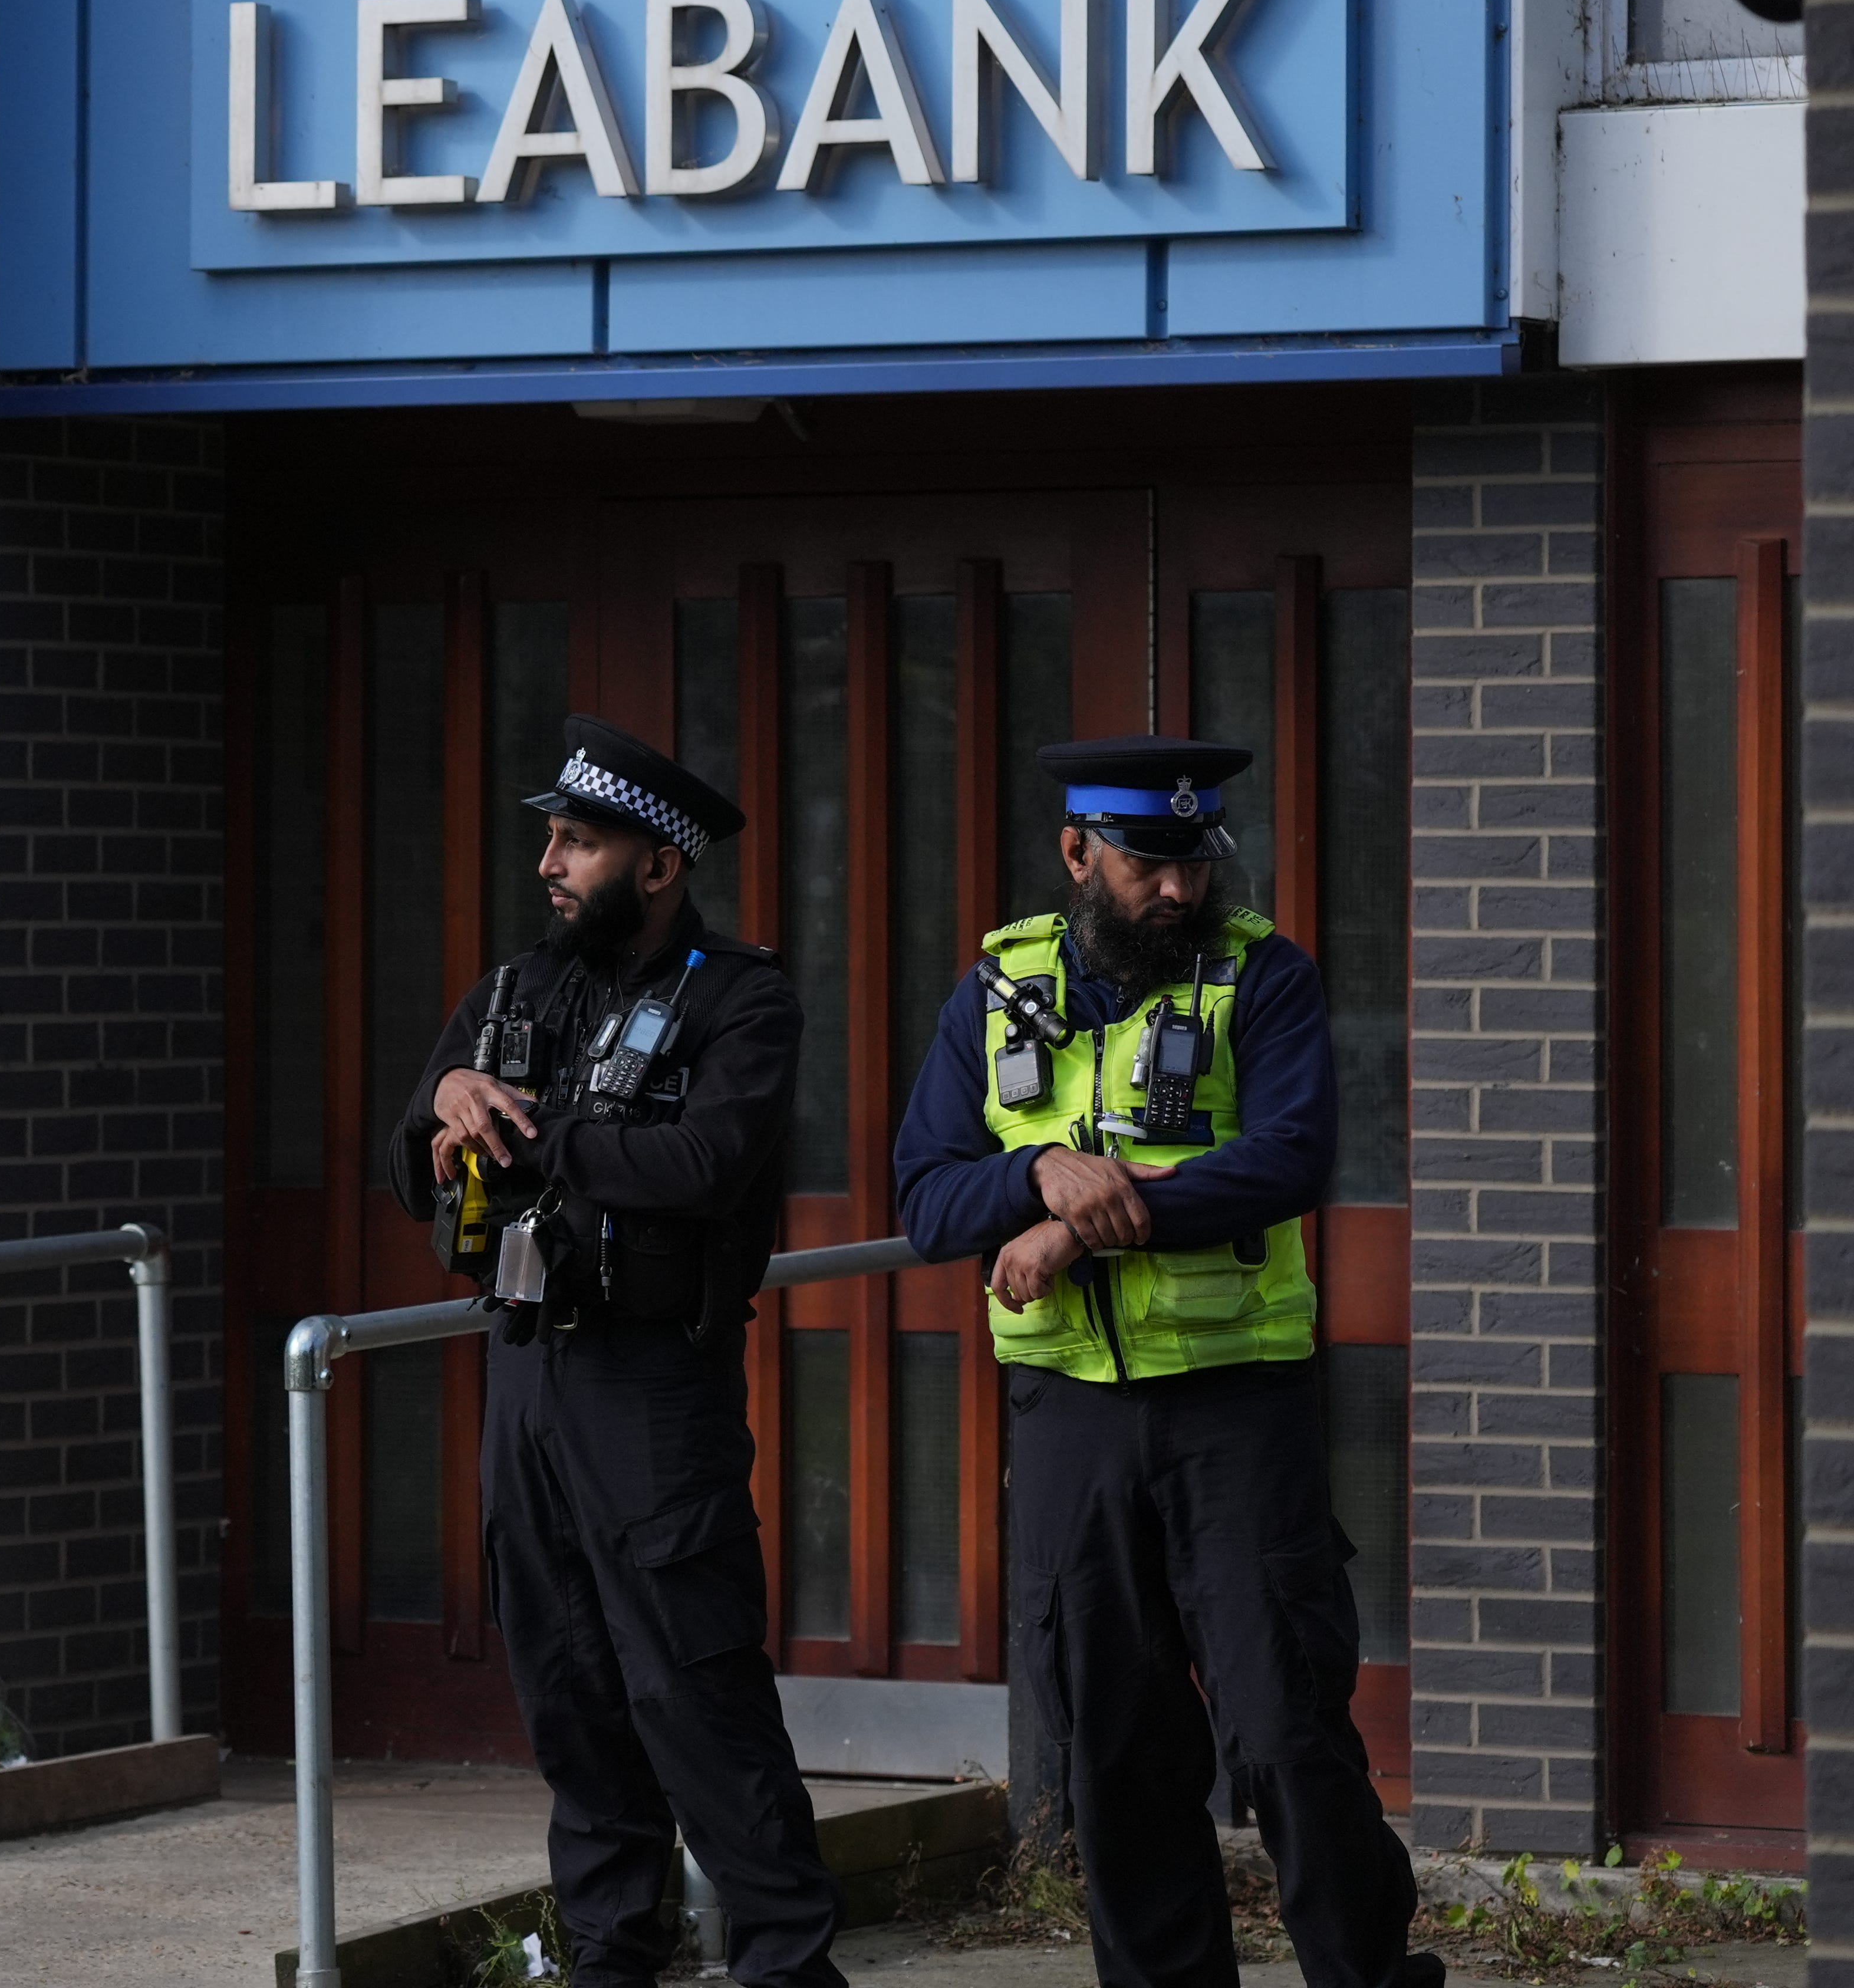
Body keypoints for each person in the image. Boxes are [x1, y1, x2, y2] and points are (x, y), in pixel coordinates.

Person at [893, 736, 1439, 1988]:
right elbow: (925, 1193)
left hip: (1236, 1412)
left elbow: (1288, 1158)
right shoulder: (992, 991)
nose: (1182, 892)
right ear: (1078, 852)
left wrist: (1073, 1213)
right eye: (1150, 864)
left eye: (1198, 862)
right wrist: (1034, 1168)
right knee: (1119, 1749)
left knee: (1287, 1729)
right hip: (1070, 1418)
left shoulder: (1267, 976)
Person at [389, 716, 846, 1988]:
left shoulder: (742, 996)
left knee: (694, 1695)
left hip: (654, 1387)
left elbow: (700, 1165)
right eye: (551, 835)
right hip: (529, 1368)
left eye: (578, 841)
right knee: (572, 1695)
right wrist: (445, 1102)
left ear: (658, 864)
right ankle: (609, 1960)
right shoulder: (514, 988)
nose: (549, 861)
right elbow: (401, 1152)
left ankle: (789, 1966)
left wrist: (532, 1137)